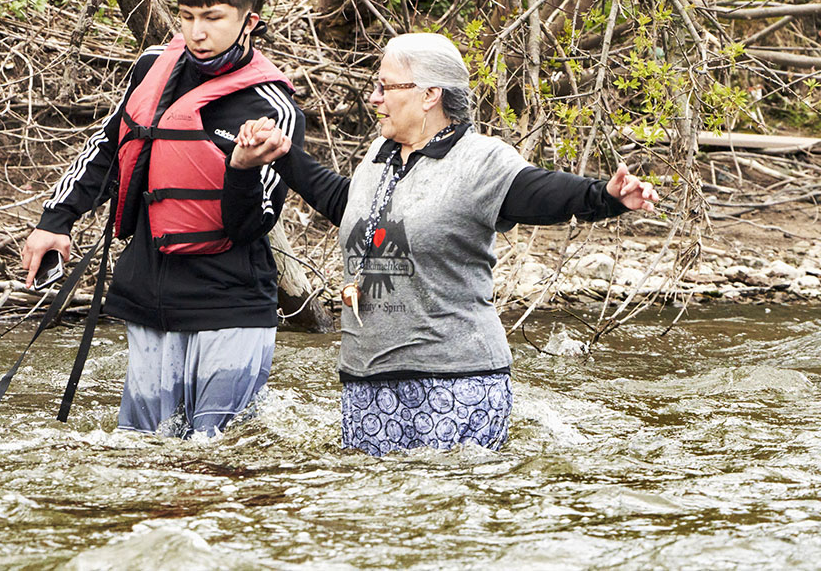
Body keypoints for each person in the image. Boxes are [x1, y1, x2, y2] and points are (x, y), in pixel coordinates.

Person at [226, 33, 658, 457]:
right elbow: (347, 204)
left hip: (455, 381)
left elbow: (538, 192)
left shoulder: (479, 161)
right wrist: (283, 155)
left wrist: (604, 196)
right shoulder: (381, 152)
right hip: (368, 379)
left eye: (385, 87)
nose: (374, 98)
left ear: (429, 94)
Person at [21, 0, 305, 437]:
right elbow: (109, 145)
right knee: (146, 454)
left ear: (248, 22)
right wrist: (55, 220)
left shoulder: (272, 105)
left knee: (215, 456)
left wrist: (240, 167)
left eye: (213, 18)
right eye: (188, 17)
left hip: (229, 302)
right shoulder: (154, 67)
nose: (197, 33)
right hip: (150, 293)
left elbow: (254, 221)